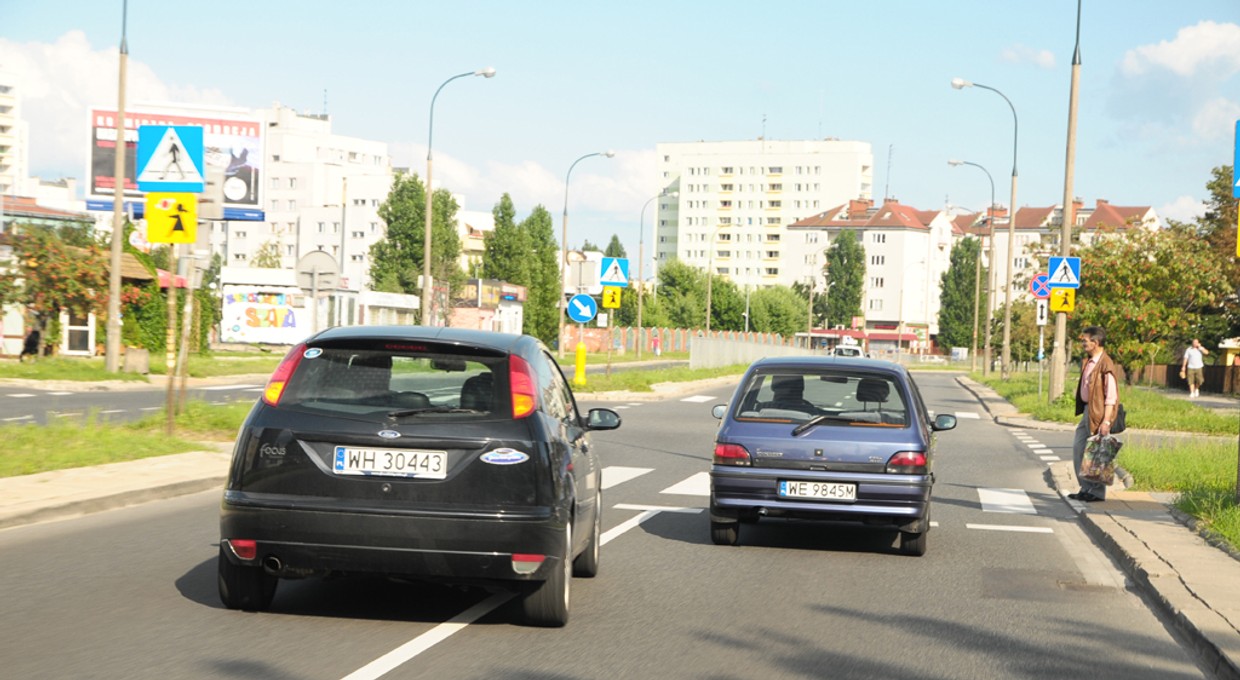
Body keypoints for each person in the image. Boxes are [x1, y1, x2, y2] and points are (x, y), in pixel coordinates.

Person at [1069, 326, 1121, 503]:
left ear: (1096, 342)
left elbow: (1111, 396)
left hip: (1098, 414)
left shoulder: (1106, 364)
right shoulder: (1090, 361)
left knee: (1097, 454)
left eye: (1085, 340)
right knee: (1079, 449)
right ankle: (1085, 488)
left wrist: (1106, 421)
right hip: (1087, 410)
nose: (1083, 343)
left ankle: (1097, 493)